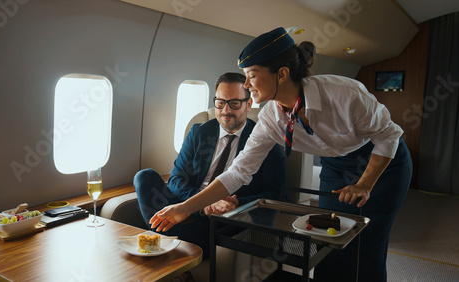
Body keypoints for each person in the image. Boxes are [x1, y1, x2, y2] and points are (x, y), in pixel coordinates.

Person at [150, 28, 412, 281]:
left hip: (383, 161)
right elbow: (238, 172)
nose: (246, 84)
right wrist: (183, 208)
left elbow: (389, 136)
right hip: (336, 166)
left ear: (282, 73)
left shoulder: (344, 94)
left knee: (366, 244)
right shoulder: (271, 119)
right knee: (330, 240)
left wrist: (365, 184)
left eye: (252, 75)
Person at [134, 72, 286, 258]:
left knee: (218, 224)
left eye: (234, 103)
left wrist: (238, 203)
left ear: (249, 104)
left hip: (225, 217)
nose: (226, 110)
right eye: (220, 102)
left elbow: (277, 195)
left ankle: (168, 245)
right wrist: (202, 204)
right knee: (144, 176)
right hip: (188, 206)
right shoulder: (199, 132)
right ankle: (181, 248)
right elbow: (177, 179)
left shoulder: (264, 141)